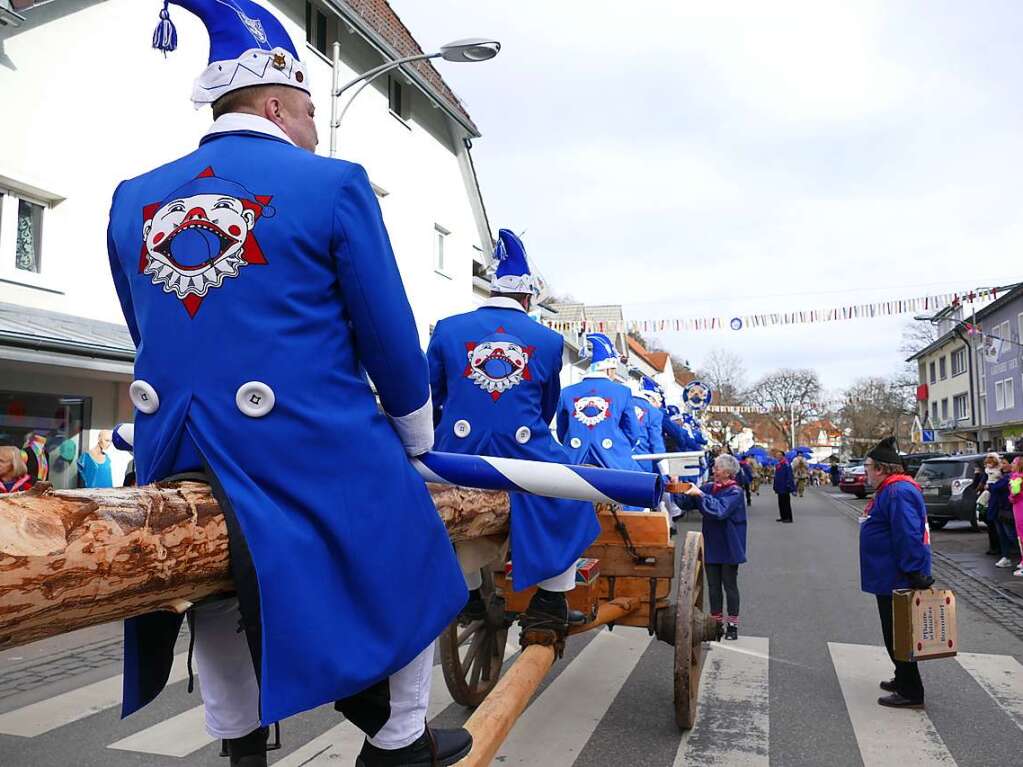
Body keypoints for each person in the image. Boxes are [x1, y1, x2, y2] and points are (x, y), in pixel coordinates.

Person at [106, 2, 470, 764]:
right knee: (417, 552)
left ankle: (240, 747)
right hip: (305, 436)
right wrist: (416, 440)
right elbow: (389, 339)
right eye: (309, 111)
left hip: (180, 439)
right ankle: (400, 736)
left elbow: (150, 333)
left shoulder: (131, 197)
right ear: (275, 102)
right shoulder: (334, 184)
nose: (313, 127)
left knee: (214, 591)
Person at [426, 229, 600, 629]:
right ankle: (551, 599)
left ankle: (468, 593)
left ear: (492, 288)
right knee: (574, 497)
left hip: (456, 454)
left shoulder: (448, 330)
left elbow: (429, 395)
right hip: (522, 455)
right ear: (528, 297)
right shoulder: (548, 340)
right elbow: (546, 406)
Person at [860, 437, 934, 708]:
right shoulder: (891, 489)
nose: (865, 471)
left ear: (880, 468)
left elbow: (907, 534)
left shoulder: (897, 491)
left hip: (897, 576)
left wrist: (914, 570)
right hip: (889, 574)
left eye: (867, 466)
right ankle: (901, 676)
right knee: (893, 630)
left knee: (899, 633)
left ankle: (911, 691)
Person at [675, 454, 747, 640]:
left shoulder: (736, 492)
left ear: (728, 472)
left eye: (717, 467)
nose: (713, 470)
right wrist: (676, 487)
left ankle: (732, 625)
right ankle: (716, 624)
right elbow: (685, 503)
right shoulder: (709, 488)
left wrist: (699, 494)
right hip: (712, 544)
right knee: (713, 586)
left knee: (729, 585)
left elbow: (719, 511)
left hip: (730, 545)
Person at [557, 333, 642, 472]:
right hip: (614, 462)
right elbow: (632, 432)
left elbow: (562, 432)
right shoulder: (622, 392)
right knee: (648, 488)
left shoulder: (566, 392)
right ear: (609, 368)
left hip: (574, 462)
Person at [992, 457, 1018, 569]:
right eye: (1000, 463)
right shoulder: (1000, 476)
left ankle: (1016, 556)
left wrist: (991, 485)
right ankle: (1006, 556)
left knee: (1011, 534)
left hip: (1009, 509)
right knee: (1002, 535)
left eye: (1004, 463)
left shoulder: (1011, 477)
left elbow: (996, 487)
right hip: (1000, 509)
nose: (1002, 465)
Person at [773, 449, 796, 523]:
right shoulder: (778, 464)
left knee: (786, 503)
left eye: (779, 455)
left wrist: (789, 485)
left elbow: (789, 476)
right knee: (781, 502)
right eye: (777, 455)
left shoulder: (786, 464)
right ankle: (783, 516)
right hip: (779, 486)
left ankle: (788, 518)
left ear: (783, 456)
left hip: (785, 486)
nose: (778, 457)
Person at [1009, 457, 1023, 577]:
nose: (1011, 464)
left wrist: (1011, 497)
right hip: (1018, 506)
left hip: (1019, 507)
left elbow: (1015, 492)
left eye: (1013, 463)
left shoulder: (1017, 477)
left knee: (1021, 535)